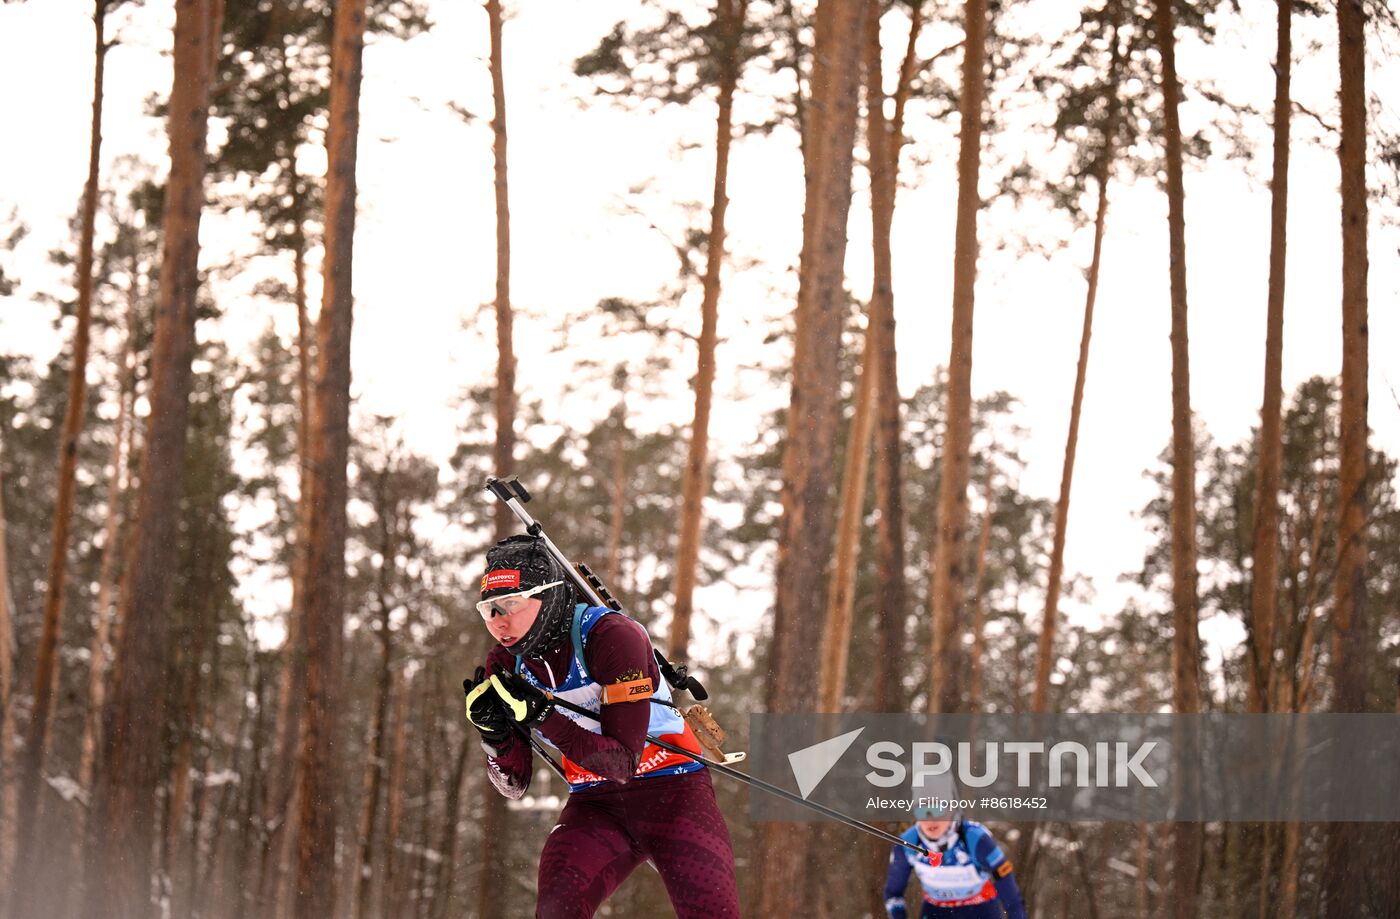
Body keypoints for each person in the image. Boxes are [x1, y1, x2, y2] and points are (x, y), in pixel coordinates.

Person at [464, 534, 740, 919]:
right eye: (489, 609)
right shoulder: (507, 664)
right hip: (595, 805)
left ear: (546, 599)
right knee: (557, 911)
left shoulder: (612, 637)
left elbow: (621, 764)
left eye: (510, 604)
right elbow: (515, 785)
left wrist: (544, 716)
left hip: (674, 793)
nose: (499, 621)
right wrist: (494, 737)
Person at [884, 801, 1028, 919]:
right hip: (935, 912)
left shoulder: (976, 838)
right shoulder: (908, 843)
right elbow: (894, 893)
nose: (930, 819)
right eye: (923, 811)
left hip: (981, 910)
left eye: (937, 810)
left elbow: (1006, 883)